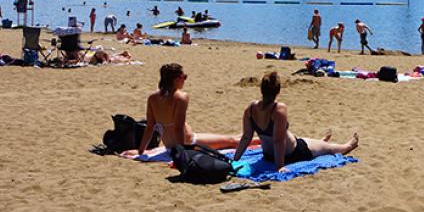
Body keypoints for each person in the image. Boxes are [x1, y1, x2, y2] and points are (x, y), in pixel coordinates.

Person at [230, 71, 358, 172]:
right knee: (330, 149)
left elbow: (246, 137)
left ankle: (321, 142)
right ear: (278, 91)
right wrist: (279, 166)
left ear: (261, 89)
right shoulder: (279, 109)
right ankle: (348, 145)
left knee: (309, 141)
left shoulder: (251, 108)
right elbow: (278, 141)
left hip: (268, 155)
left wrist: (235, 159)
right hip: (293, 153)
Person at [118, 63, 241, 158]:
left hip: (169, 144)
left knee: (231, 137)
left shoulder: (152, 98)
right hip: (188, 141)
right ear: (176, 79)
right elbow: (178, 127)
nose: (185, 80)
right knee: (232, 142)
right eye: (184, 77)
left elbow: (150, 127)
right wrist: (183, 153)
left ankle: (249, 137)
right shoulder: (181, 97)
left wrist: (141, 151)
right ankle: (259, 141)